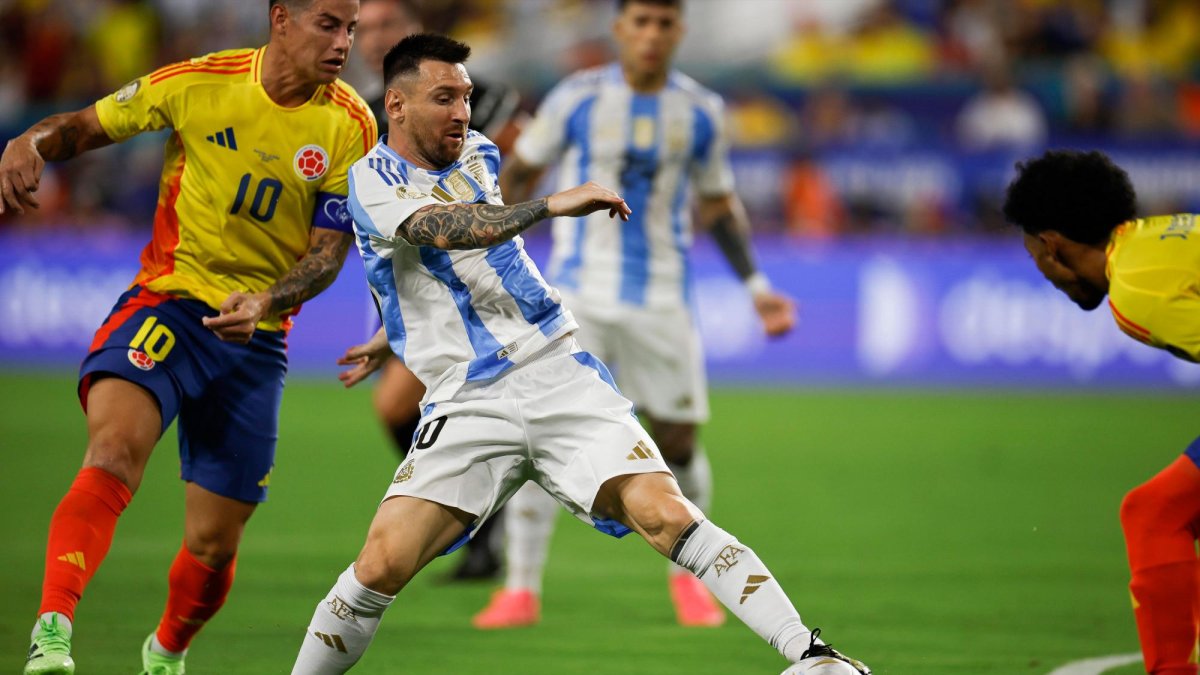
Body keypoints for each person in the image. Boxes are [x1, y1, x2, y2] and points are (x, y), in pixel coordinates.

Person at [290, 33, 869, 675]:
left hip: (554, 370)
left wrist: (395, 327)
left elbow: (465, 260)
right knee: (379, 566)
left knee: (666, 514)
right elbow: (442, 230)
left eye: (466, 97)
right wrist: (547, 206)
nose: (461, 111)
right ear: (394, 106)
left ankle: (816, 659)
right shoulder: (371, 179)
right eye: (443, 97)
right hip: (467, 402)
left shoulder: (478, 151)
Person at [2, 1, 375, 672]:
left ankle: (166, 650)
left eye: (350, 27)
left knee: (212, 545)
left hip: (257, 335)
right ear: (281, 19)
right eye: (328, 23)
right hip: (168, 304)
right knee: (113, 452)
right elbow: (82, 129)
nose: (343, 41)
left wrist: (266, 298)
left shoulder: (351, 124)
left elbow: (327, 254)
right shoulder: (200, 81)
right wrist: (29, 141)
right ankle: (51, 634)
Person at [473, 0, 797, 630]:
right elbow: (520, 171)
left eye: (664, 23)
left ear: (680, 30)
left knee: (677, 441)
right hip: (575, 296)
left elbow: (719, 203)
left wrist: (757, 284)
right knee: (544, 435)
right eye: (640, 22)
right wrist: (482, 249)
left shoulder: (701, 110)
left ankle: (691, 579)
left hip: (661, 298)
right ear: (619, 28)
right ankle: (519, 588)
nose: (651, 35)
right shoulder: (577, 97)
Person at [344, 0, 522, 582]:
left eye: (385, 27)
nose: (371, 40)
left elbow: (513, 162)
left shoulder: (484, 101)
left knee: (428, 408)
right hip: (434, 294)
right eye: (360, 29)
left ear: (416, 33)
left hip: (495, 286)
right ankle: (484, 527)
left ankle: (486, 529)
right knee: (399, 407)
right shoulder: (364, 118)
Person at [1003, 149, 1200, 675]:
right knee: (1155, 511)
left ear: (1052, 246)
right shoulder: (1167, 233)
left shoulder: (1135, 292)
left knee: (1157, 514)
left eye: (1034, 257)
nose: (1045, 274)